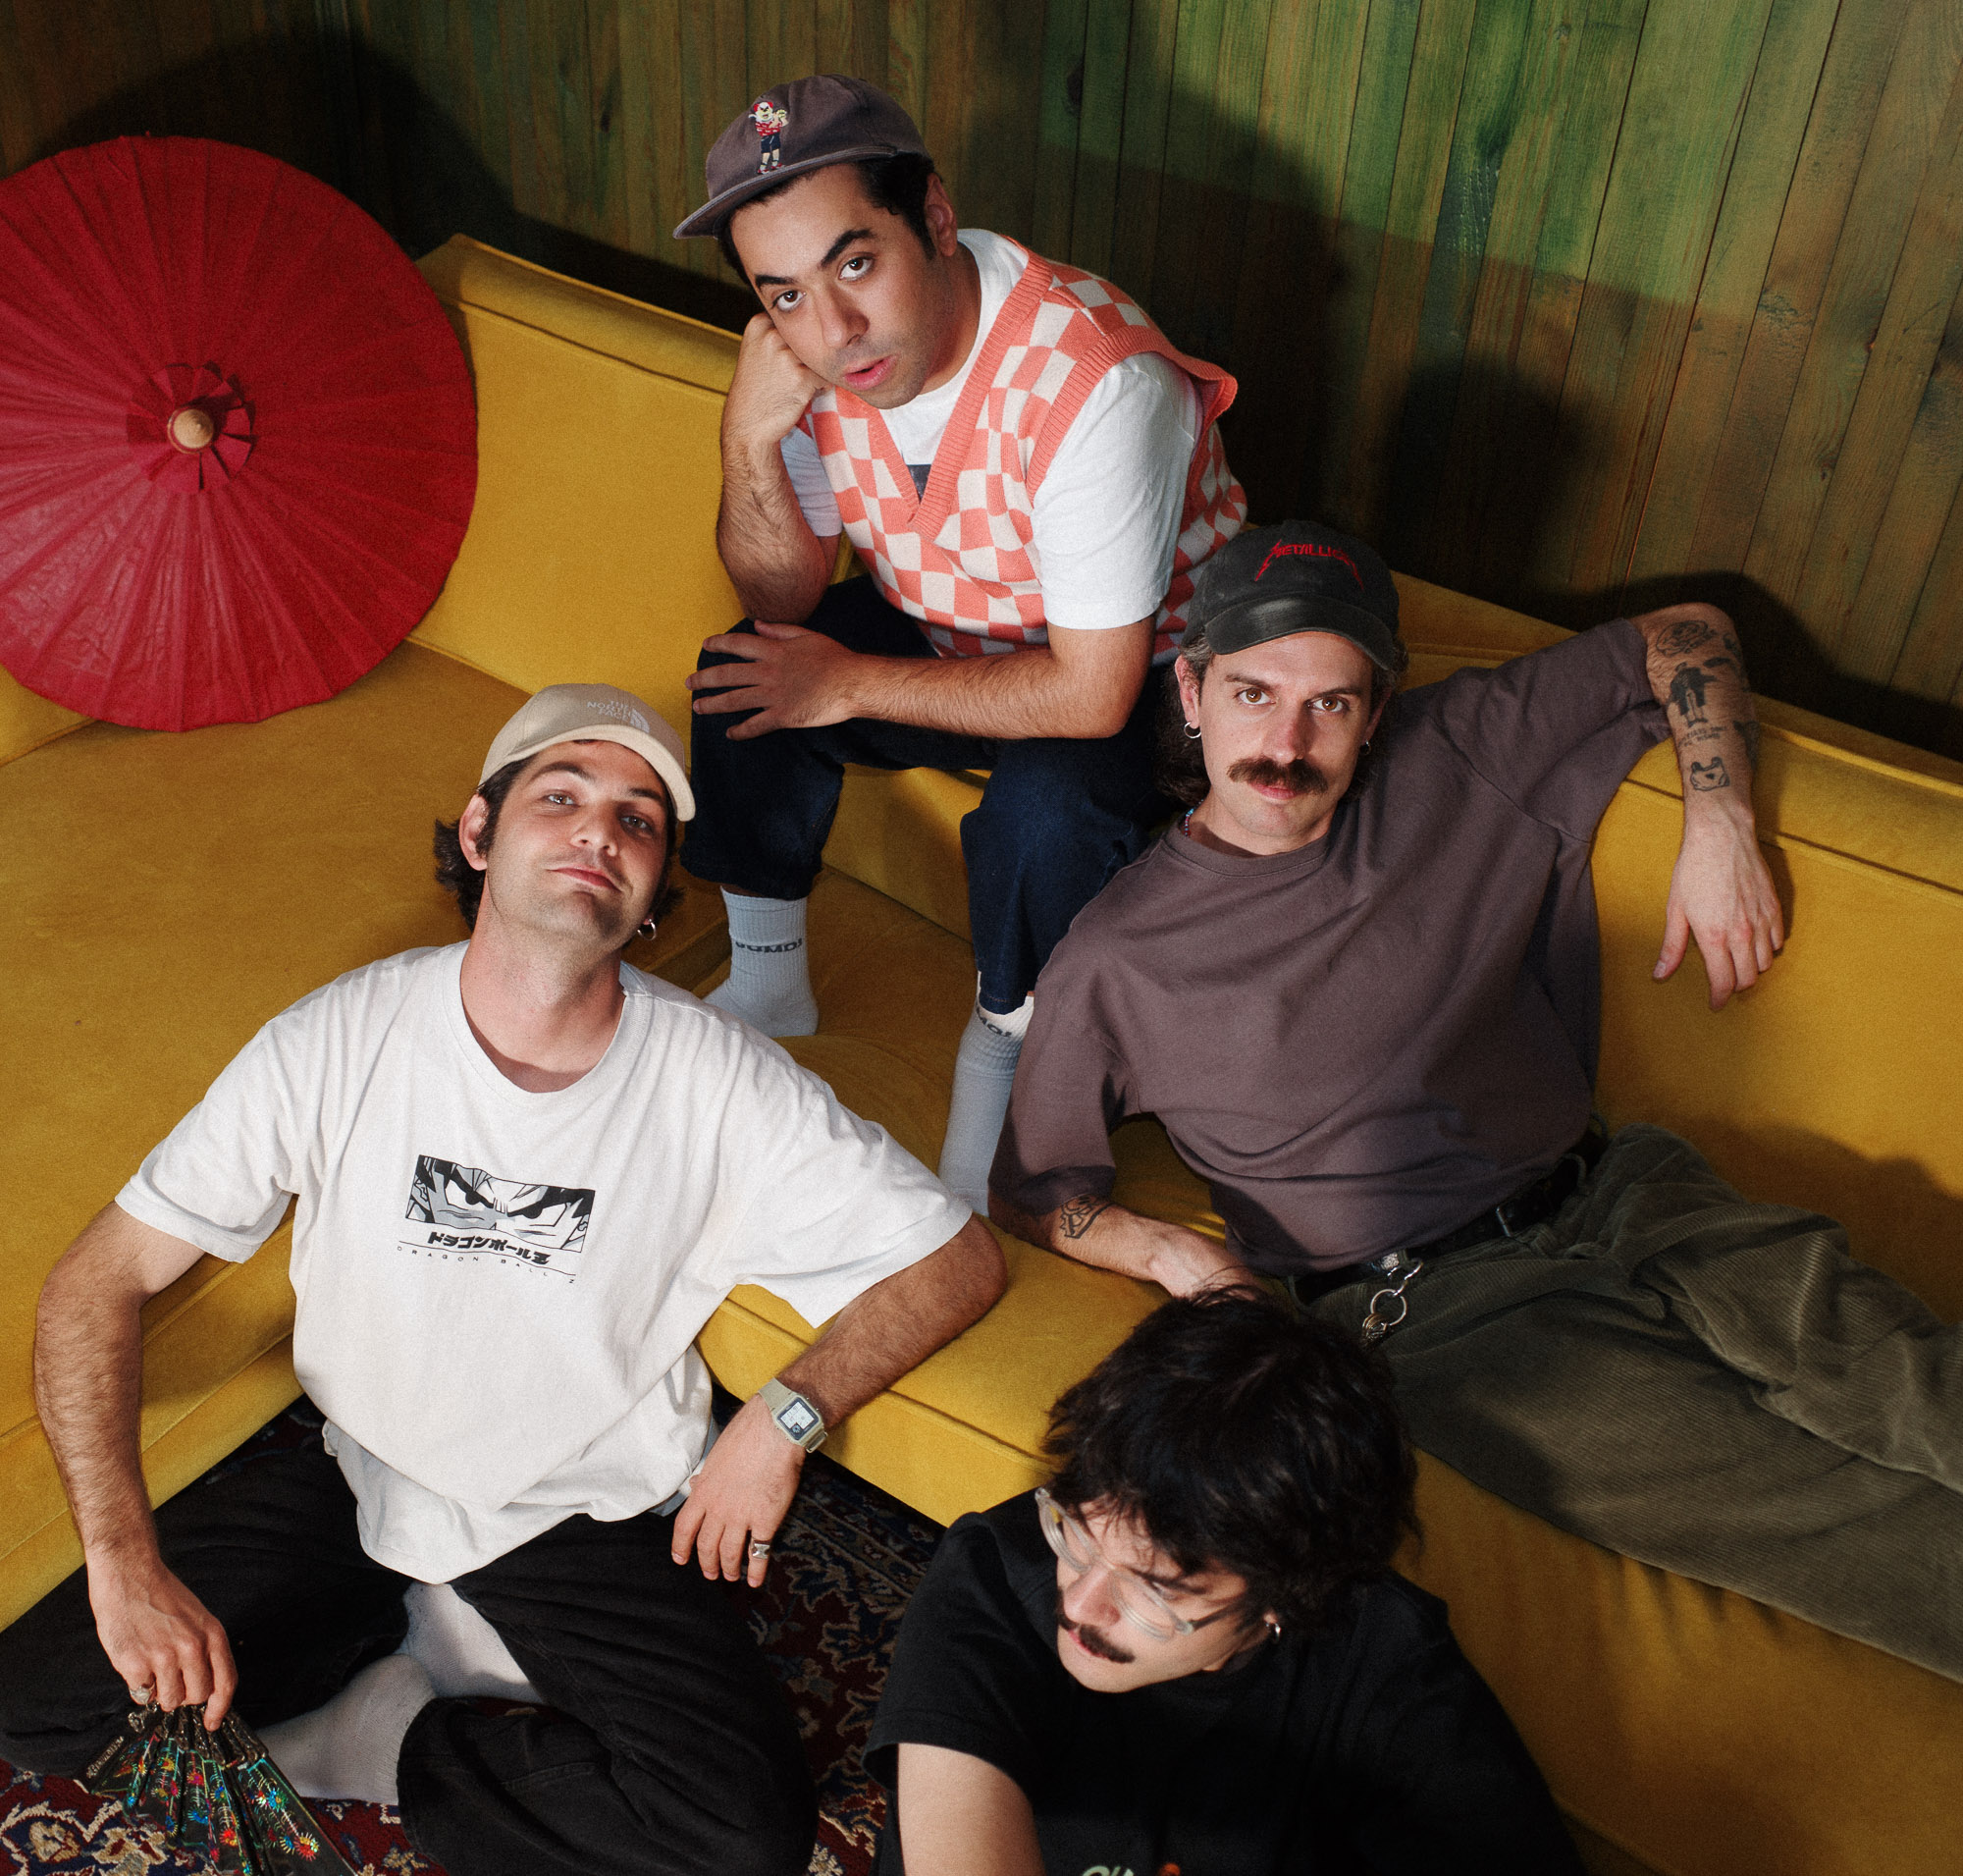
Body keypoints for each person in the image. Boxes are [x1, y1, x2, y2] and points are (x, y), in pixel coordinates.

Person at [0, 681, 1006, 1876]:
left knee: (737, 1837)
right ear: (479, 837)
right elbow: (92, 1286)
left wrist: (781, 1422)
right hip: (356, 1464)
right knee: (38, 1703)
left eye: (639, 821)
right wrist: (124, 1567)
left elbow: (956, 1261)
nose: (601, 831)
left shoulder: (722, 1082)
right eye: (562, 796)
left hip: (581, 1503)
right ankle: (409, 1633)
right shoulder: (339, 1034)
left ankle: (393, 1736)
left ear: (648, 892)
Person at [991, 518, 1963, 1682]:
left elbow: (1686, 633)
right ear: (1191, 691)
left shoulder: (1460, 750)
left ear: (1380, 708)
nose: (1284, 744)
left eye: (1331, 705)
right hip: (1434, 1316)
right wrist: (1171, 1257)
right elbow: (1036, 1191)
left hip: (1626, 1189)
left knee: (1915, 1380)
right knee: (1823, 1522)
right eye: (1251, 693)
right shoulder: (1115, 958)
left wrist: (1720, 820)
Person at [671, 74, 1247, 1212]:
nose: (832, 332)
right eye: (781, 294)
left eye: (853, 265)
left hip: (1148, 674)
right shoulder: (809, 360)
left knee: (1047, 810)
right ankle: (768, 980)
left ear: (931, 217)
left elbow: (1090, 694)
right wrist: (747, 438)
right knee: (743, 669)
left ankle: (1002, 1046)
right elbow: (781, 594)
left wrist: (844, 685)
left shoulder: (1094, 379)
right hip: (951, 621)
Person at [867, 1291, 1584, 1874]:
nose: (1080, 1602)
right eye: (1077, 1535)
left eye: (1156, 1589)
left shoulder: (1386, 1668)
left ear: (1284, 1598)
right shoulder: (992, 1573)